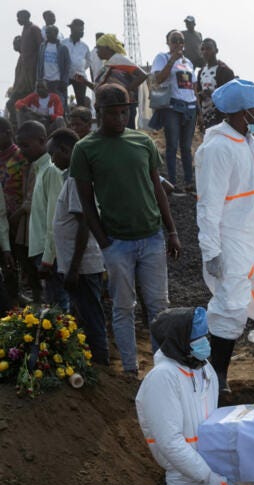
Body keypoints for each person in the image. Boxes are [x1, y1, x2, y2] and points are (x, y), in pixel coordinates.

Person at [72, 84, 181, 377]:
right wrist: (105, 242)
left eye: (124, 111)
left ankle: (164, 370)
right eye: (113, 113)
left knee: (159, 306)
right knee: (123, 308)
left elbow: (157, 189)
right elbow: (86, 204)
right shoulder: (84, 150)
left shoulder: (142, 142)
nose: (120, 118)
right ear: (99, 113)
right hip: (117, 243)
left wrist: (171, 231)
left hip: (152, 237)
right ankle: (131, 371)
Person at [136, 307, 254, 485]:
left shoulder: (204, 368)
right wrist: (207, 477)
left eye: (205, 336)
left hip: (220, 475)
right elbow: (171, 442)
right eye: (197, 338)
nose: (204, 342)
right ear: (179, 342)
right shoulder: (161, 379)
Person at [194, 79, 254, 393]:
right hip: (230, 240)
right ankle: (218, 376)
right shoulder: (217, 148)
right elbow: (209, 204)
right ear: (241, 111)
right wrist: (211, 250)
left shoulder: (249, 142)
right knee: (230, 308)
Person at [50, 128, 109, 365]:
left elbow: (84, 224)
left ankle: (101, 365)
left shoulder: (75, 179)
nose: (53, 161)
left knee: (91, 316)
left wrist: (74, 268)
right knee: (83, 315)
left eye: (54, 155)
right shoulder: (73, 177)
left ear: (66, 150)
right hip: (78, 265)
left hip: (83, 267)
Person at [21, 121, 68, 309]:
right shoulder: (38, 169)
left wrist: (48, 258)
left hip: (50, 254)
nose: (22, 150)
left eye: (26, 145)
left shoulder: (51, 170)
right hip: (42, 251)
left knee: (60, 304)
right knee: (54, 301)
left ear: (41, 140)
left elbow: (54, 219)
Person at [150, 30, 198, 191]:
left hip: (189, 106)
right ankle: (171, 182)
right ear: (168, 42)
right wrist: (172, 60)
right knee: (172, 145)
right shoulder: (162, 58)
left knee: (186, 146)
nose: (178, 43)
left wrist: (199, 110)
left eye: (181, 40)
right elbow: (158, 79)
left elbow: (194, 87)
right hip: (172, 106)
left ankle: (189, 181)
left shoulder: (188, 62)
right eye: (174, 40)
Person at [0, 117, 34, 304]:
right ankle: (11, 294)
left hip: (19, 217)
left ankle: (22, 294)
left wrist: (19, 214)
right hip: (2, 217)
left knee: (19, 256)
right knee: (6, 256)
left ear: (8, 133)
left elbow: (28, 187)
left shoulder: (22, 156)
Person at [92, 33, 147, 128]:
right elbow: (99, 87)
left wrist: (124, 91)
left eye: (99, 48)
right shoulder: (108, 64)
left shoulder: (119, 59)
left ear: (108, 48)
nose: (96, 51)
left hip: (124, 106)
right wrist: (84, 82)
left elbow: (142, 75)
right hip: (112, 105)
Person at [195, 39, 236, 134]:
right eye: (202, 49)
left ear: (216, 50)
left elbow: (231, 94)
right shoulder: (201, 72)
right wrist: (199, 115)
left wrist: (213, 93)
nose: (205, 52)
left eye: (208, 48)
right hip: (205, 115)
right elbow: (197, 94)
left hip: (221, 117)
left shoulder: (225, 71)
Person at [37, 25, 70, 109]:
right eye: (46, 32)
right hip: (44, 81)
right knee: (43, 104)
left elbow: (67, 66)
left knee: (59, 104)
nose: (47, 35)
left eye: (50, 32)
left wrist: (64, 81)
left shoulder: (63, 48)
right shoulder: (42, 46)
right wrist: (38, 79)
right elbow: (39, 63)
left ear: (55, 33)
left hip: (57, 81)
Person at [13, 10, 43, 101]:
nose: (18, 20)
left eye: (19, 17)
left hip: (31, 66)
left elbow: (41, 47)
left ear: (26, 17)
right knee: (18, 91)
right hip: (23, 65)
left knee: (29, 90)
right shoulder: (24, 29)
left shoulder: (34, 28)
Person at [62, 19, 89, 107]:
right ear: (72, 29)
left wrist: (80, 68)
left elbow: (88, 62)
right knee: (62, 98)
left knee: (81, 101)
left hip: (79, 76)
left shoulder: (84, 46)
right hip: (65, 76)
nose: (82, 32)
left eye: (82, 29)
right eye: (80, 29)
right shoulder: (63, 43)